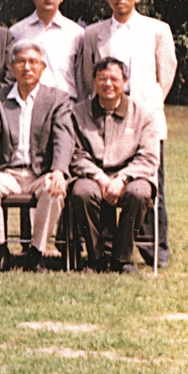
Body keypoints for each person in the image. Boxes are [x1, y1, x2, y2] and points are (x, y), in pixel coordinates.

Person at [74, 0, 177, 262]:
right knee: (105, 180)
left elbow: (166, 72)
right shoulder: (93, 33)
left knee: (148, 184)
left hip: (142, 120)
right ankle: (109, 249)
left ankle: (154, 249)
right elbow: (86, 76)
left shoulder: (157, 30)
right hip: (103, 119)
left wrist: (148, 107)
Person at [0, 42, 76, 271]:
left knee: (54, 189)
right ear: (12, 67)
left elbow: (64, 138)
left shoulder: (57, 99)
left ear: (43, 67)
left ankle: (36, 253)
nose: (27, 67)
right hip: (9, 172)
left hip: (41, 173)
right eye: (21, 62)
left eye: (33, 62)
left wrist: (59, 171)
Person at [68, 57, 163, 274]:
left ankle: (122, 258)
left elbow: (148, 156)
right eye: (102, 79)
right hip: (91, 175)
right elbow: (76, 153)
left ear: (125, 81)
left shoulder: (144, 115)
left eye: (114, 79)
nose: (108, 84)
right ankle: (96, 257)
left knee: (139, 193)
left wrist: (122, 178)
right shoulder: (77, 113)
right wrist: (100, 177)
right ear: (94, 81)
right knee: (82, 193)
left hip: (131, 176)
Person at [8, 0, 86, 100]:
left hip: (66, 104)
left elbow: (82, 80)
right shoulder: (16, 32)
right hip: (28, 103)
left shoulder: (77, 34)